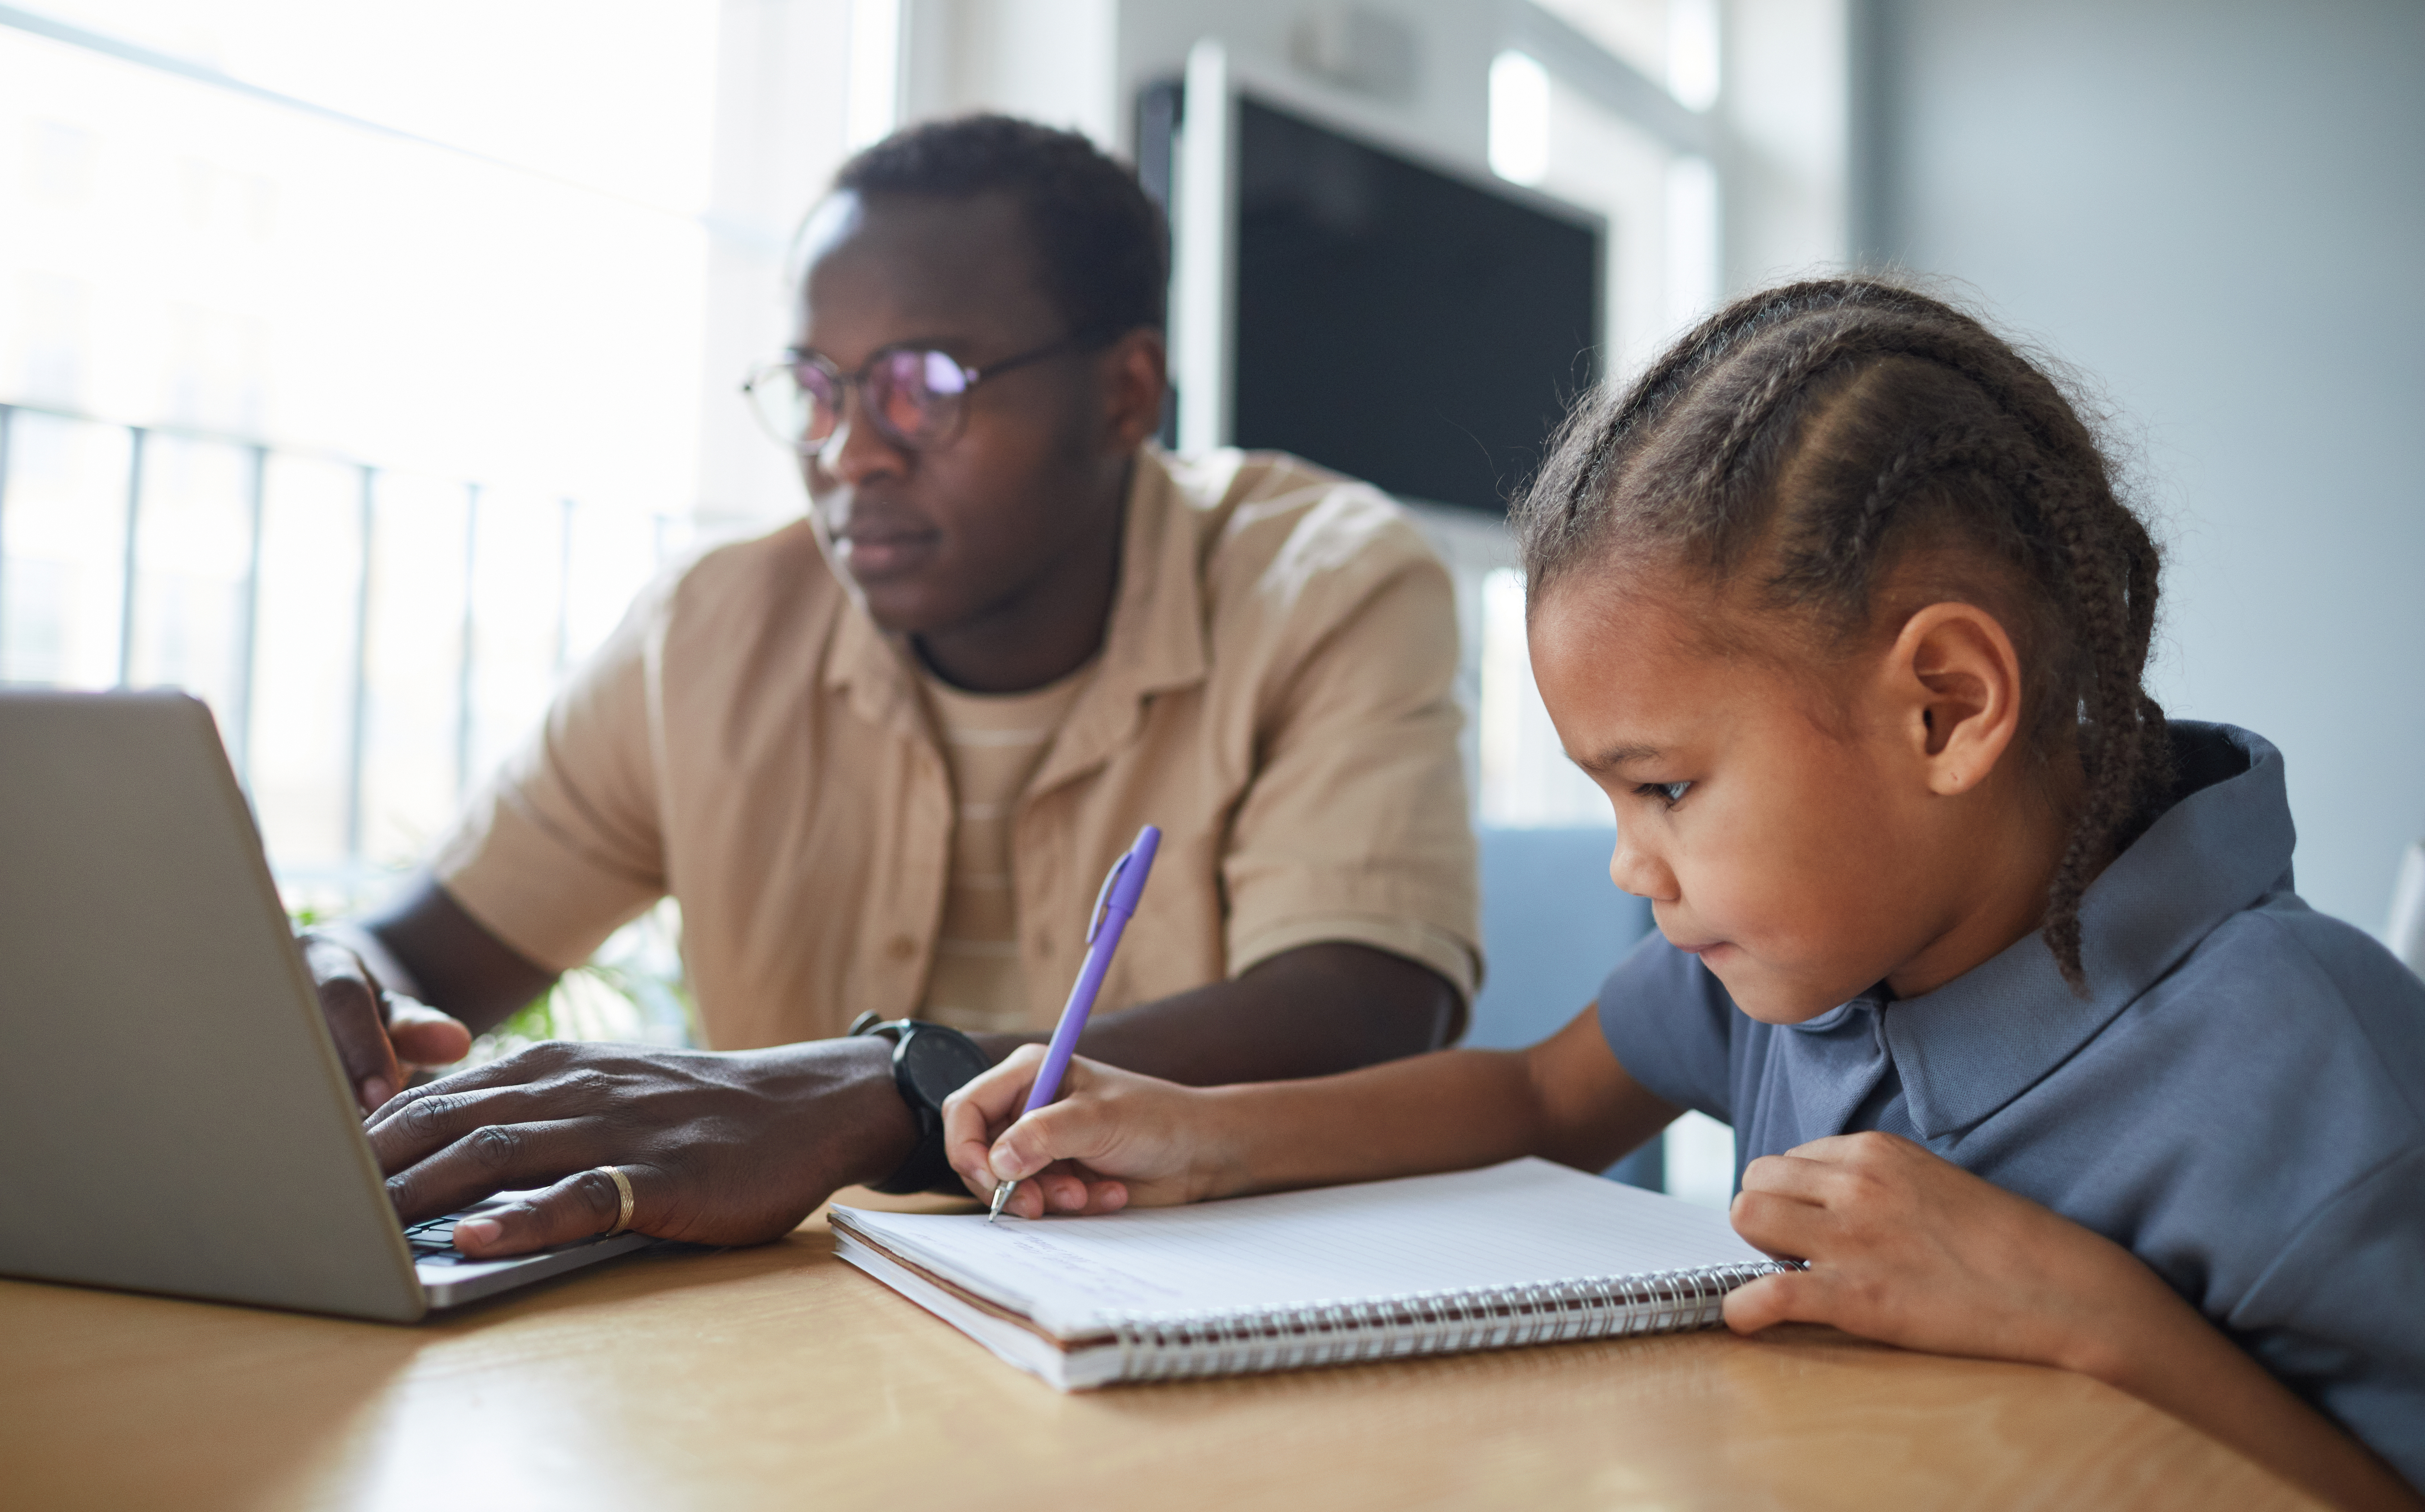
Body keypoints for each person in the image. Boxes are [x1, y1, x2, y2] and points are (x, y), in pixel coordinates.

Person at [941, 280, 2425, 1511]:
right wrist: (1197, 1135)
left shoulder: (2313, 1066)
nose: (1625, 862)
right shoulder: (1811, 956)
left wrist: (2085, 1318)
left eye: (1664, 788)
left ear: (1946, 707)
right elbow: (1535, 1098)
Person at [303, 115, 1480, 1260]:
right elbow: (423, 954)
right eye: (820, 388)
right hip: (801, 1341)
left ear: (1125, 394)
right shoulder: (708, 634)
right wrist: (340, 987)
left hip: (1205, 1308)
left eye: (921, 384)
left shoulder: (1325, 581)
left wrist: (893, 1088)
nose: (851, 453)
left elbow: (1364, 1009)